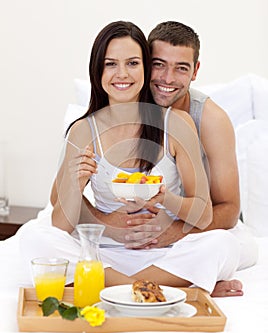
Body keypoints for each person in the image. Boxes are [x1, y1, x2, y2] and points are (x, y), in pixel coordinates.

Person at [18, 21, 242, 296]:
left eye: (133, 63)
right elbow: (61, 223)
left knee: (222, 244)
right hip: (105, 252)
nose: (122, 74)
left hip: (165, 251)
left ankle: (111, 287)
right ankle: (163, 286)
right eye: (111, 64)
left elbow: (204, 212)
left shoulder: (177, 123)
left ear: (145, 69)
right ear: (97, 70)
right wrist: (77, 186)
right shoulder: (83, 130)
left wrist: (164, 200)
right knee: (34, 237)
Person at [78, 21, 258, 297]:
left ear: (195, 71)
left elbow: (229, 209)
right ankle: (183, 283)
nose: (167, 78)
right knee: (42, 235)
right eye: (159, 64)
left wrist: (174, 231)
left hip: (197, 228)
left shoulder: (210, 120)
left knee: (229, 246)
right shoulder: (117, 105)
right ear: (146, 63)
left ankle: (126, 285)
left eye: (181, 68)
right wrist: (110, 224)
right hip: (128, 232)